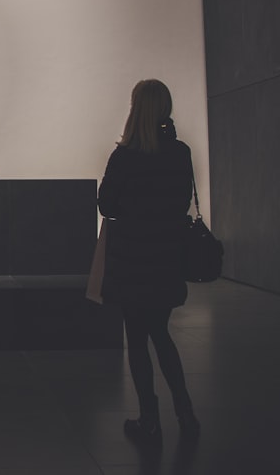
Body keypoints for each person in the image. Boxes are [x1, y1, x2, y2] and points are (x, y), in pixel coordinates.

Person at [97, 79, 200, 444]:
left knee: (138, 339)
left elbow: (106, 205)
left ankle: (150, 418)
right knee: (161, 333)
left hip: (133, 258)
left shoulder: (124, 156)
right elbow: (181, 202)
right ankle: (185, 411)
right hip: (167, 256)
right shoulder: (181, 152)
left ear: (135, 107)